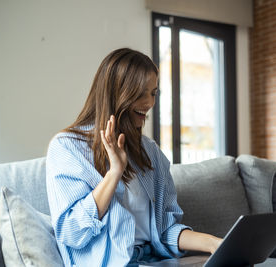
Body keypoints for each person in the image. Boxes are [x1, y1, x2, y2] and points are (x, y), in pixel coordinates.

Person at [46, 48, 222, 267]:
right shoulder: (67, 147)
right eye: (141, 93)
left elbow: (165, 230)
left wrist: (215, 244)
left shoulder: (149, 151)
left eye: (153, 93)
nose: (149, 103)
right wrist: (114, 173)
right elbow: (71, 233)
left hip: (154, 260)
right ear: (116, 92)